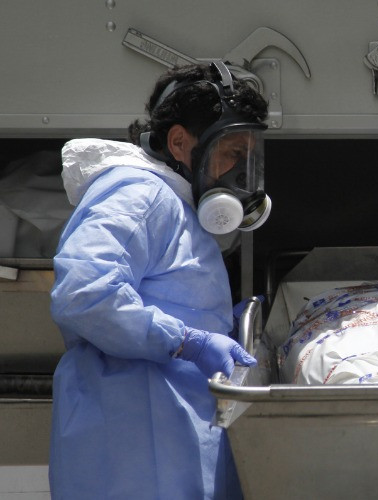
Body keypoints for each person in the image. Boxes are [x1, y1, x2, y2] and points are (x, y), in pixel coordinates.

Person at [48, 61, 271, 499]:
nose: (239, 176)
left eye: (249, 158)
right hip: (135, 466)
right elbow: (84, 293)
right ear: (180, 143)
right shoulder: (140, 195)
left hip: (164, 457)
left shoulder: (173, 206)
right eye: (231, 154)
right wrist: (190, 341)